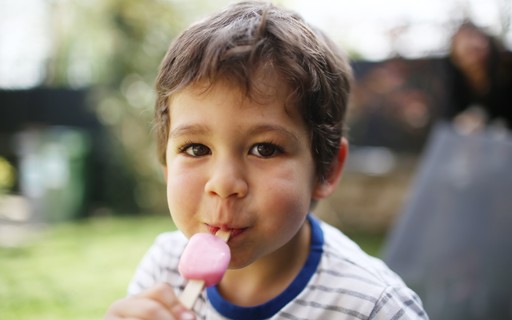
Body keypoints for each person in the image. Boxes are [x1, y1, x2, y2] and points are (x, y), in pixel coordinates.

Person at [104, 1, 428, 319]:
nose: (223, 184)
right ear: (165, 163)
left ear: (326, 169)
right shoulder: (164, 269)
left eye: (264, 149)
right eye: (196, 149)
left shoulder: (373, 306)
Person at [444, 21, 512, 132]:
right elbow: (451, 113)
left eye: (474, 36)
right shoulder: (452, 77)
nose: (473, 43)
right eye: (467, 51)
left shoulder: (506, 67)